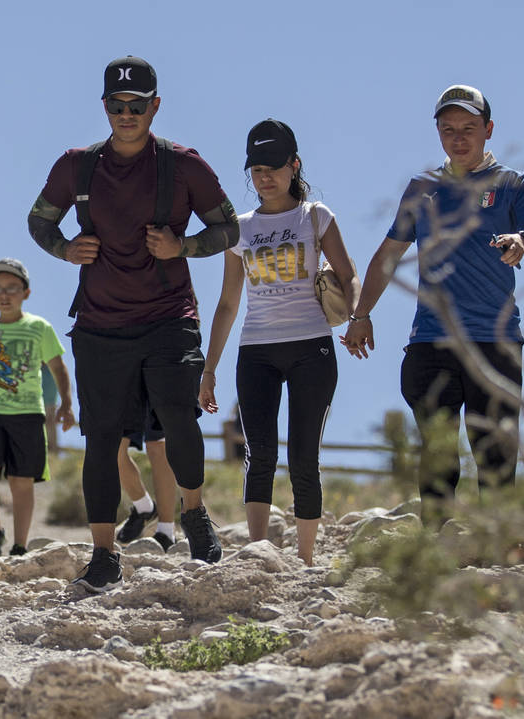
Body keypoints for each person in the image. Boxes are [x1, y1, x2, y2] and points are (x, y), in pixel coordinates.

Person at [27, 55, 239, 592]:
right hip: (100, 326)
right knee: (102, 440)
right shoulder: (75, 166)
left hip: (170, 317)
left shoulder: (185, 166)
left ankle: (194, 515)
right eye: (117, 106)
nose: (127, 114)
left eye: (137, 106)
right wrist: (63, 247)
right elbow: (38, 219)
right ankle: (103, 555)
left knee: (177, 419)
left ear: (155, 107)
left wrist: (184, 245)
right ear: (105, 107)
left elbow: (229, 228)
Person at [342, 85, 524, 527]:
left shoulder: (513, 185)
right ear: (438, 132)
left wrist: (523, 240)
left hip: (494, 340)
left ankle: (497, 556)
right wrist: (361, 316)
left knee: (494, 454)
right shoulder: (422, 188)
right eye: (448, 129)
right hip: (431, 340)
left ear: (489, 130)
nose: (459, 138)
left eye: (469, 128)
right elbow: (387, 257)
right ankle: (437, 551)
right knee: (437, 454)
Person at [199, 119, 359, 566]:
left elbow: (348, 275)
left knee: (305, 456)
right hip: (257, 351)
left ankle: (305, 559)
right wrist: (208, 369)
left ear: (294, 165)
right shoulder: (240, 228)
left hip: (313, 346)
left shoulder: (316, 216)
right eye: (255, 168)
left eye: (273, 166)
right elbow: (228, 303)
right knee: (259, 453)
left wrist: (359, 317)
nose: (264, 176)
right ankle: (259, 555)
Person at [0, 258, 75, 557]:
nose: (4, 294)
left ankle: (20, 545)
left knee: (21, 481)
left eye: (12, 288)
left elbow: (58, 367)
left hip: (28, 414)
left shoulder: (39, 328)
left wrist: (66, 403)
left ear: (26, 292)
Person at [115, 409, 178, 551]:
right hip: (122, 387)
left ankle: (166, 533)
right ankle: (144, 507)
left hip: (157, 387)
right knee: (114, 444)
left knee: (158, 444)